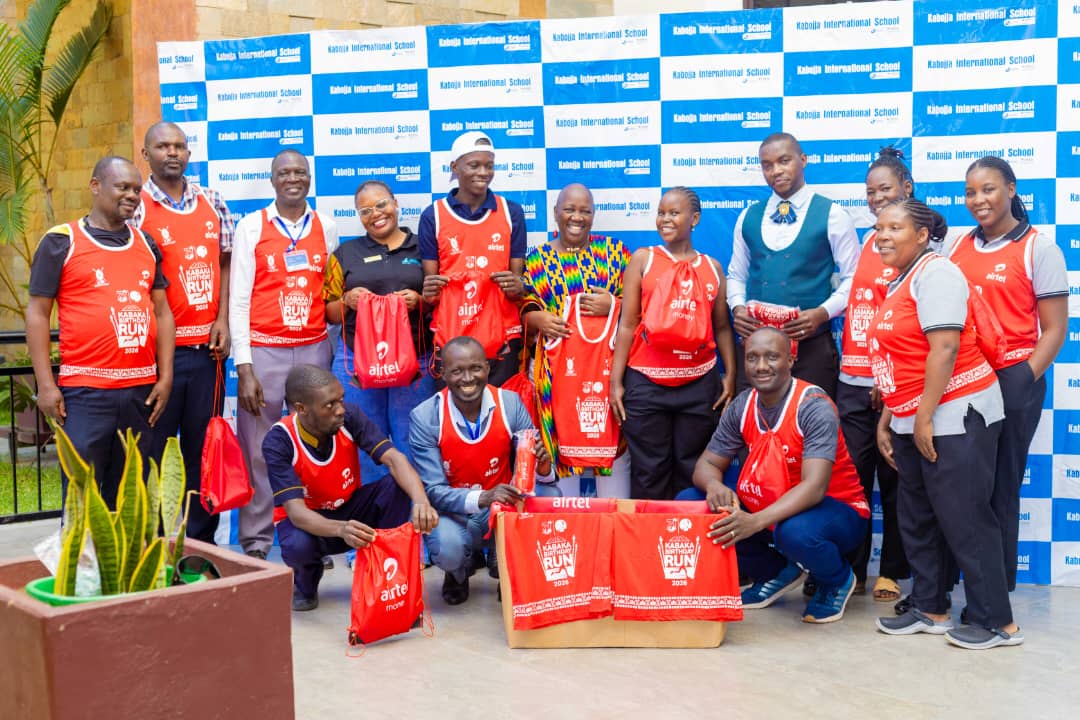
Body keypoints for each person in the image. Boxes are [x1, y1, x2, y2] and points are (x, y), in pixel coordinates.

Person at [869, 198, 1019, 650]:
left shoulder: (937, 273)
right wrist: (890, 418)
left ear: (921, 235)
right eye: (879, 228)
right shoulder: (902, 280)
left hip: (956, 413)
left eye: (895, 227)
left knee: (966, 517)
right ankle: (931, 608)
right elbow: (904, 359)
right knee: (918, 516)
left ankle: (997, 623)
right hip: (915, 415)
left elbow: (945, 350)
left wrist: (924, 417)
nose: (883, 235)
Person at [681, 327, 870, 623]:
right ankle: (776, 571)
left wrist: (753, 522)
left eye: (772, 357)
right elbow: (706, 464)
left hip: (836, 509)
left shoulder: (813, 406)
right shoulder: (743, 404)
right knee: (694, 504)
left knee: (795, 532)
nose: (761, 366)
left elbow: (814, 487)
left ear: (791, 359)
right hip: (772, 501)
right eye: (752, 358)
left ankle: (837, 579)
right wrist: (714, 485)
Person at [948, 156, 1068, 593]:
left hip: (1014, 379)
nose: (978, 200)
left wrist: (1024, 378)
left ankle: (997, 594)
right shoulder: (958, 245)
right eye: (970, 192)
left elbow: (1055, 328)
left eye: (988, 189)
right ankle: (961, 584)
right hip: (963, 381)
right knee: (962, 486)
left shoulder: (1039, 247)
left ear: (1012, 190)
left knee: (1000, 486)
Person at [26, 156, 175, 507]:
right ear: (96, 186)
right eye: (122, 187)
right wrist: (46, 385)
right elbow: (37, 313)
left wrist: (165, 377)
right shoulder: (62, 242)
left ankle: (131, 562)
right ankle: (82, 563)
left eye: (137, 189)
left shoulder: (146, 243)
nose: (132, 195)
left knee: (133, 495)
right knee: (83, 495)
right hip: (85, 394)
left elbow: (163, 312)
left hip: (140, 393)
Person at [229, 150, 338, 560]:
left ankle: (318, 539)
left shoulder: (326, 226)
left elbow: (330, 293)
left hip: (313, 349)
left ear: (309, 179)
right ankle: (256, 544)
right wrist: (245, 366)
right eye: (284, 173)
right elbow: (238, 300)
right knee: (258, 449)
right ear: (272, 179)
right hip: (265, 351)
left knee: (315, 445)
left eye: (300, 173)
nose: (293, 179)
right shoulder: (251, 226)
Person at [262, 365, 438, 611]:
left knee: (396, 485)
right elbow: (296, 513)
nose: (340, 410)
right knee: (298, 543)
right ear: (301, 409)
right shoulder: (279, 440)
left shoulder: (349, 417)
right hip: (311, 521)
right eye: (329, 405)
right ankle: (306, 584)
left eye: (341, 400)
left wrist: (420, 500)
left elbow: (395, 459)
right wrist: (341, 528)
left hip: (351, 508)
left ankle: (383, 575)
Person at [135, 121, 236, 543]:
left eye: (179, 146)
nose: (172, 153)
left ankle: (199, 542)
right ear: (147, 154)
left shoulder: (212, 200)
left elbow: (226, 262)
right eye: (162, 146)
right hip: (158, 358)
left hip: (207, 353)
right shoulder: (135, 206)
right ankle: (156, 541)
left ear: (189, 153)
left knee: (202, 452)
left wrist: (224, 319)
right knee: (155, 452)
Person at [409, 336, 559, 606]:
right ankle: (457, 573)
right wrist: (484, 497)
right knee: (447, 545)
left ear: (488, 368)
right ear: (442, 373)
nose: (467, 378)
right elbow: (433, 492)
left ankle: (507, 567)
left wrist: (544, 466)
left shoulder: (510, 404)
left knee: (551, 493)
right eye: (457, 371)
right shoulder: (425, 416)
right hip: (457, 513)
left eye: (475, 368)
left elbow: (532, 475)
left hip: (502, 509)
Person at [609, 186, 736, 499]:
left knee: (690, 471)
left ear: (694, 218)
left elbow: (721, 327)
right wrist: (616, 381)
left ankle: (684, 544)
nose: (664, 219)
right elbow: (627, 323)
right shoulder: (643, 260)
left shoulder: (712, 268)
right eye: (661, 212)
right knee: (649, 472)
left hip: (698, 386)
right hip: (646, 386)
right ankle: (649, 547)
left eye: (674, 213)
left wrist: (730, 374)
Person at [727, 132, 860, 399]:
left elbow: (854, 279)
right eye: (767, 165)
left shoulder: (833, 215)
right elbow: (736, 274)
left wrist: (822, 313)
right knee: (753, 428)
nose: (776, 171)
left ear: (803, 160)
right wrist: (737, 307)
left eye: (784, 161)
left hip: (812, 350)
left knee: (813, 427)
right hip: (757, 350)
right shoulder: (747, 216)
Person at [520, 182, 631, 497]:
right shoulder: (537, 259)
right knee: (560, 444)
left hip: (606, 372)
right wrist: (536, 318)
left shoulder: (615, 253)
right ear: (555, 213)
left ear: (594, 215)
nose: (577, 217)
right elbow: (521, 305)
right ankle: (567, 525)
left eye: (585, 211)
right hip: (555, 372)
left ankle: (614, 528)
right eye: (569, 209)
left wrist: (615, 305)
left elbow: (642, 303)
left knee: (611, 443)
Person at [838, 148, 912, 600]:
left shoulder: (924, 244)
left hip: (897, 383)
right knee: (853, 479)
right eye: (869, 192)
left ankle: (892, 570)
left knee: (897, 482)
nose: (876, 198)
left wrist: (889, 383)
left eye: (885, 189)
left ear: (906, 188)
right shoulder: (866, 241)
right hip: (852, 379)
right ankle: (853, 570)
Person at [325, 179, 433, 484]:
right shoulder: (345, 254)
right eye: (365, 210)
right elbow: (328, 312)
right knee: (364, 444)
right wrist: (346, 301)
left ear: (396, 204)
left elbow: (443, 299)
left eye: (382, 204)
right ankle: (374, 521)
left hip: (415, 362)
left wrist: (421, 301)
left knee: (413, 442)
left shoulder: (424, 248)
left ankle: (414, 519)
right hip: (356, 363)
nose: (376, 214)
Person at [419, 131, 527, 387]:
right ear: (455, 167)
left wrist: (517, 287)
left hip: (502, 338)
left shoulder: (511, 212)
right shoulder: (433, 215)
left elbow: (517, 286)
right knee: (453, 418)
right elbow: (432, 292)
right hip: (452, 337)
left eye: (489, 165)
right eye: (474, 165)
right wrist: (429, 292)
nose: (483, 172)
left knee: (501, 416)